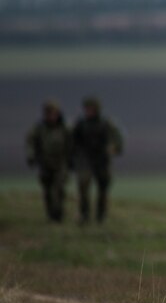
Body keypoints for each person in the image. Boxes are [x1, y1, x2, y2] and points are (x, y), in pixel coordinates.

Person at [71, 95, 124, 225]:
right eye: (87, 109)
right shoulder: (80, 124)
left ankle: (101, 216)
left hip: (102, 161)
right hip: (85, 160)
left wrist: (113, 149)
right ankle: (84, 215)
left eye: (91, 109)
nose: (89, 112)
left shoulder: (106, 123)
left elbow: (118, 139)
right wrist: (73, 157)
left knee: (103, 189)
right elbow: (72, 142)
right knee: (83, 186)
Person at [25, 99, 72, 222]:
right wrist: (31, 156)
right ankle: (51, 215)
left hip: (61, 163)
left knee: (58, 189)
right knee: (47, 190)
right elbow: (30, 142)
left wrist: (72, 159)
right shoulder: (39, 128)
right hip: (45, 163)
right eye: (48, 113)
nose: (51, 116)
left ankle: (58, 215)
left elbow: (72, 144)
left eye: (53, 113)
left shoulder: (65, 127)